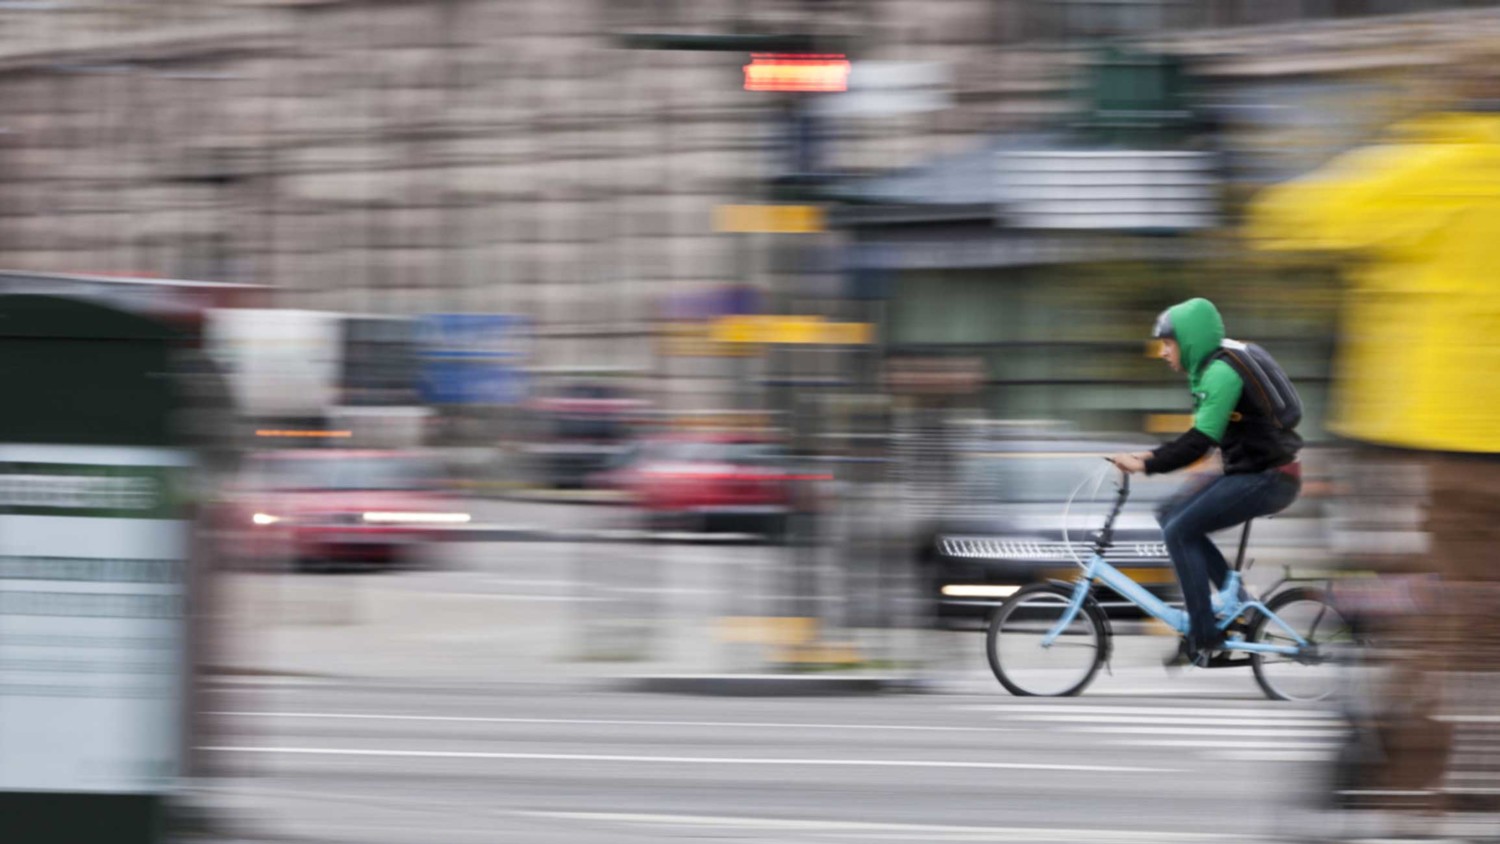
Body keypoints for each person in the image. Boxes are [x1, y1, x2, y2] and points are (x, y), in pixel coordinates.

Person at [1110, 297, 1303, 666]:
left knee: (1179, 531)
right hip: (1254, 472)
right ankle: (1242, 607)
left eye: (1169, 343)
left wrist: (1146, 461)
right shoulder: (1212, 366)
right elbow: (1214, 438)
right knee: (1170, 514)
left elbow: (1199, 442)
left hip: (1270, 478)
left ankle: (1204, 633)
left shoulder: (1221, 372)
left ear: (1190, 339)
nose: (1164, 352)